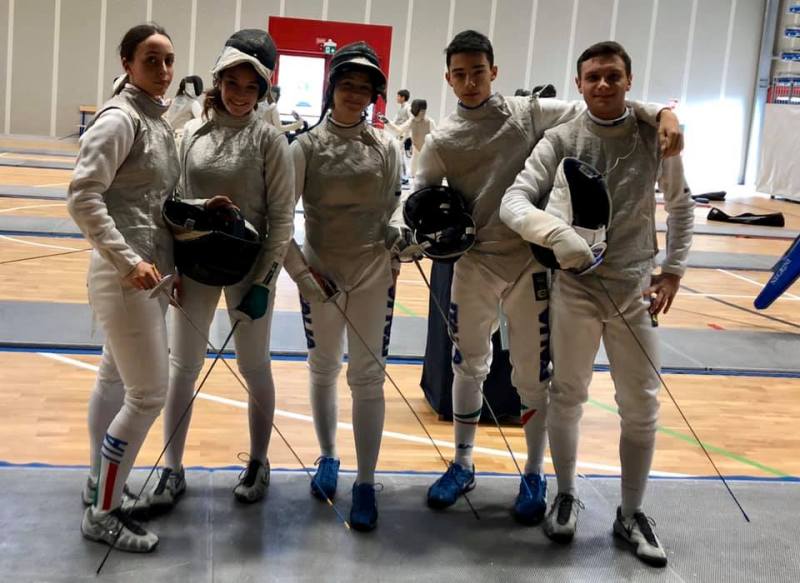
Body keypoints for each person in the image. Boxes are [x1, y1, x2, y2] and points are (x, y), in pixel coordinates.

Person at [414, 30, 683, 525]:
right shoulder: (441, 140)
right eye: (460, 74)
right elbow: (420, 195)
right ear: (448, 79)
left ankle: (535, 473)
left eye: (478, 72)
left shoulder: (528, 113)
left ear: (494, 72)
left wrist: (663, 113)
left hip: (529, 265)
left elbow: (600, 104)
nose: (470, 82)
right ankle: (463, 463)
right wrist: (417, 231)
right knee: (468, 365)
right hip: (475, 264)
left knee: (533, 378)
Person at [500, 40, 694, 567]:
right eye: (593, 78)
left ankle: (631, 513)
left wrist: (674, 268)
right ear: (579, 84)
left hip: (635, 291)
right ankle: (565, 494)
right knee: (567, 395)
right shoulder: (561, 139)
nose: (603, 85)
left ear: (629, 81)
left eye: (613, 76)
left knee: (642, 404)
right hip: (576, 290)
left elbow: (680, 206)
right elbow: (514, 201)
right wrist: (555, 234)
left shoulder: (655, 135)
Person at [141, 29, 295, 512]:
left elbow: (282, 220)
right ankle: (172, 468)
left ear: (262, 90)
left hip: (249, 269)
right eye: (232, 83)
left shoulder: (270, 141)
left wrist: (265, 282)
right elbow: (170, 206)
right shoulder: (190, 134)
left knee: (255, 366)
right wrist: (172, 268)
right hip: (196, 266)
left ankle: (260, 461)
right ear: (219, 81)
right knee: (183, 367)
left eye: (251, 87)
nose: (240, 94)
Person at [282, 41, 403, 532]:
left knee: (368, 378)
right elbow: (279, 221)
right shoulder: (305, 147)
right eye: (347, 84)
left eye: (364, 87)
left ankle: (366, 481)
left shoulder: (387, 146)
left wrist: (398, 237)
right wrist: (302, 274)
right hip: (322, 277)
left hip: (374, 276)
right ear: (332, 88)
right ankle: (329, 455)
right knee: (324, 367)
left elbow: (396, 202)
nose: (355, 94)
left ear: (375, 95)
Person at [68, 23, 179, 553]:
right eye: (151, 60)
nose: (163, 70)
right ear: (128, 63)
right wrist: (129, 260)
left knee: (114, 380)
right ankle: (103, 514)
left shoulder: (154, 120)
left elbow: (153, 201)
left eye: (168, 60)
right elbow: (82, 197)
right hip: (125, 277)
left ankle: (99, 484)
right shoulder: (119, 119)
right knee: (148, 394)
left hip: (146, 276)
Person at [379, 98, 435, 189]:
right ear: (416, 110)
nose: (423, 113)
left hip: (428, 153)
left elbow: (435, 137)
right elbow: (399, 130)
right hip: (416, 153)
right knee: (414, 176)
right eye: (421, 111)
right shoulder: (411, 122)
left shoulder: (430, 122)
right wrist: (387, 122)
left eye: (424, 110)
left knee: (427, 179)